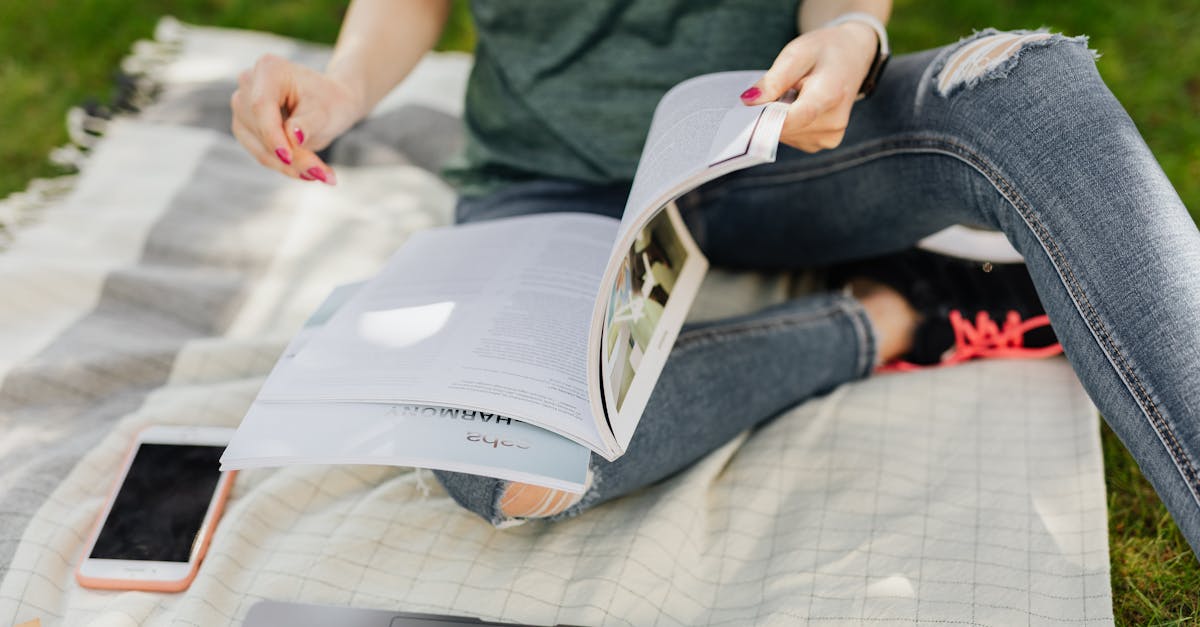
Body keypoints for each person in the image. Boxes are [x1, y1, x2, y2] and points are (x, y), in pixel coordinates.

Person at [230, 0, 1200, 558]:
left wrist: (853, 31)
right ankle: (900, 313)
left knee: (1031, 86)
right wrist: (344, 86)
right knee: (505, 463)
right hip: (548, 184)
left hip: (763, 136)